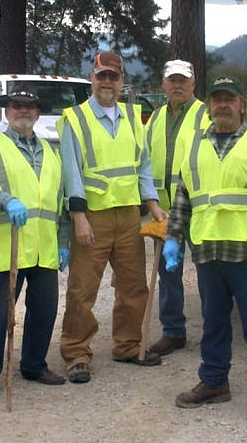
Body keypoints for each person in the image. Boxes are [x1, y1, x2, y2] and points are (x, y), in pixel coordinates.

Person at [164, 76, 247, 427]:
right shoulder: (193, 145)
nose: (222, 105)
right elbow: (182, 196)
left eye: (229, 100)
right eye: (217, 100)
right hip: (207, 250)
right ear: (209, 106)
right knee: (214, 322)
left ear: (241, 106)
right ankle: (215, 381)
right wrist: (173, 237)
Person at [57, 50, 166, 384]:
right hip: (94, 216)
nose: (107, 82)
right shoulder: (74, 118)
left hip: (129, 216)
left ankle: (129, 345)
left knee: (134, 286)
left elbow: (142, 165)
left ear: (121, 81)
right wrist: (78, 216)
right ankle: (76, 352)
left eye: (113, 76)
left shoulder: (134, 117)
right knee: (82, 289)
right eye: (101, 76)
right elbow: (71, 171)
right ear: (92, 78)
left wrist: (153, 203)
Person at [0, 84, 69, 400]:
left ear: (37, 113)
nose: (22, 111)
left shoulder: (52, 154)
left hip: (44, 248)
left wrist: (63, 241)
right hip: (7, 248)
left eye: (28, 107)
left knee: (44, 310)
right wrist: (6, 201)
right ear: (6, 111)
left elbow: (60, 203)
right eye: (15, 106)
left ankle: (34, 364)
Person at [145, 60, 211, 357]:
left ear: (193, 84)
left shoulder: (205, 115)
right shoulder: (156, 118)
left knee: (208, 273)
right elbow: (145, 161)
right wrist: (152, 204)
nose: (177, 85)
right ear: (163, 84)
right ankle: (173, 332)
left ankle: (214, 331)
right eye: (172, 80)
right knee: (167, 273)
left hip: (198, 209)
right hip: (164, 211)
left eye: (183, 80)